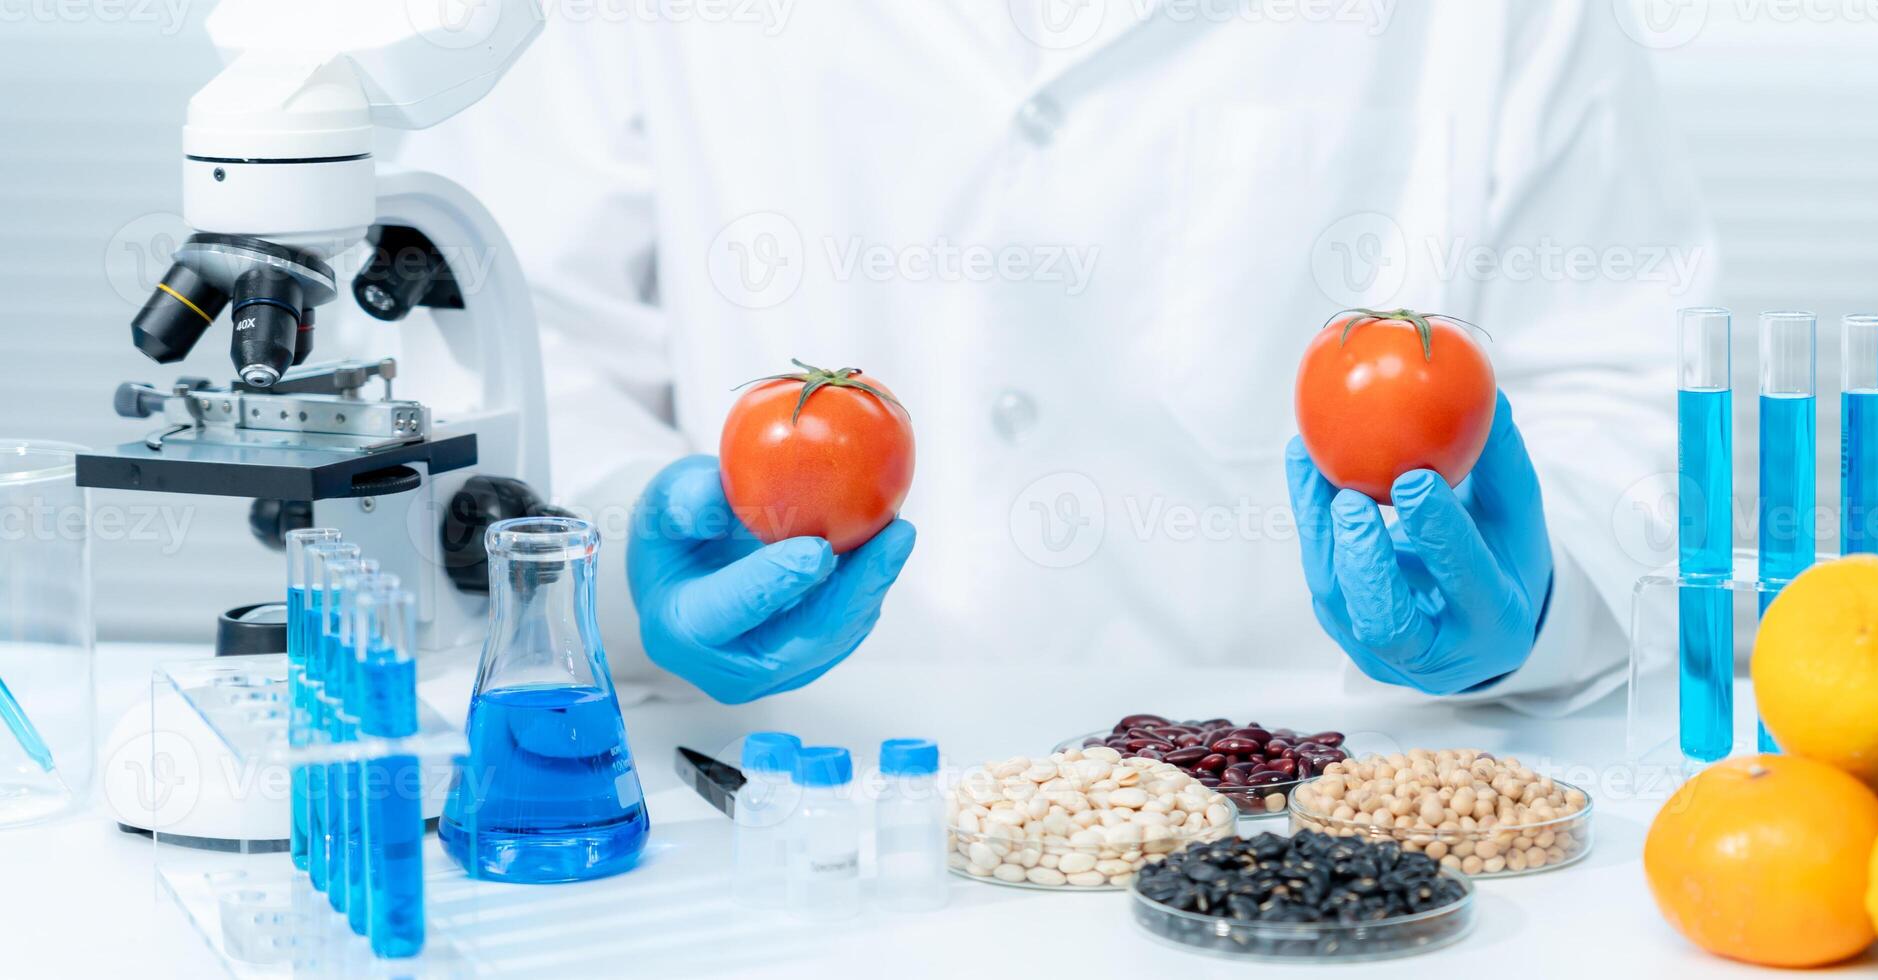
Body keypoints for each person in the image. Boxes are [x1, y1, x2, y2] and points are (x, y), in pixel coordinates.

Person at [390, 1, 1712, 712]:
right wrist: (623, 567)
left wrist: (1530, 607)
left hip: (1325, 789)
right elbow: (510, 338)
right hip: (790, 796)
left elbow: (1628, 384)